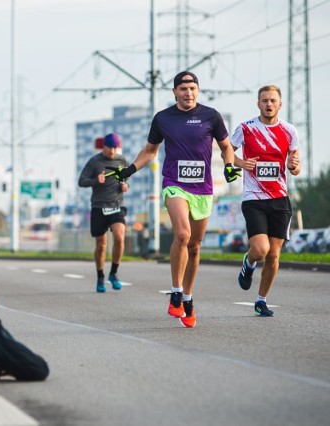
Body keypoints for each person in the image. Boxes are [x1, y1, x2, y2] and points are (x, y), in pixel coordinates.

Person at [107, 71, 245, 328]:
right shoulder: (163, 118)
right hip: (175, 184)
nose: (188, 93)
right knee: (182, 235)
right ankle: (176, 292)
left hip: (202, 188)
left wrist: (228, 166)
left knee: (195, 246)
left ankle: (189, 299)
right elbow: (150, 151)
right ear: (175, 92)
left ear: (198, 90)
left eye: (192, 88)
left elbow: (226, 146)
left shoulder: (211, 115)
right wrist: (128, 171)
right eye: (183, 89)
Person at [231, 85, 300, 317]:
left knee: (274, 254)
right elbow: (226, 152)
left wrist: (294, 166)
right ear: (258, 104)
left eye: (272, 100)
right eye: (264, 100)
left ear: (280, 104)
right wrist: (241, 163)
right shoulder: (245, 128)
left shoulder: (290, 131)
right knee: (260, 249)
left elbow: (295, 165)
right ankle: (248, 264)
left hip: (280, 199)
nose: (268, 104)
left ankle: (261, 300)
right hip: (254, 198)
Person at [78, 132, 130, 293]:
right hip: (99, 206)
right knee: (101, 244)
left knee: (120, 238)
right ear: (104, 147)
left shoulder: (122, 161)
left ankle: (113, 273)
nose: (112, 152)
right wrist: (95, 181)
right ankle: (100, 277)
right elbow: (81, 181)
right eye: (110, 148)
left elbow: (125, 179)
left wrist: (125, 186)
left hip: (117, 205)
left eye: (115, 148)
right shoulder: (94, 162)